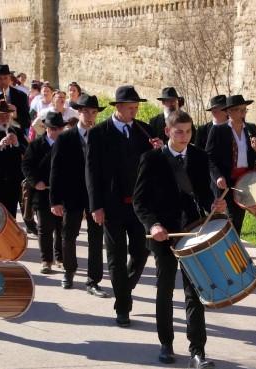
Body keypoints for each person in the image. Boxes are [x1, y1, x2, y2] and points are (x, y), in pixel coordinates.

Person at [133, 110, 227, 369]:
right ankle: (166, 343)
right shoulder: (151, 159)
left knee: (194, 292)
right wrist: (153, 224)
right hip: (164, 235)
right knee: (164, 289)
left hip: (192, 233)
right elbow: (140, 201)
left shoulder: (199, 157)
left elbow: (203, 194)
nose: (184, 137)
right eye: (179, 132)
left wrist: (215, 205)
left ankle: (197, 351)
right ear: (167, 132)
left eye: (188, 132)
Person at [86, 85, 162, 326]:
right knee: (116, 257)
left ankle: (123, 290)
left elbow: (154, 169)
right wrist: (96, 205)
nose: (135, 112)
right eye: (131, 108)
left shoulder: (145, 132)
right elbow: (92, 173)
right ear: (118, 108)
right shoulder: (99, 133)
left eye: (137, 107)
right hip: (111, 206)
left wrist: (160, 152)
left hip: (139, 207)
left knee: (141, 252)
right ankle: (123, 307)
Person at [50, 94, 108, 297]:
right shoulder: (66, 137)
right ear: (79, 112)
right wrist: (55, 200)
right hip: (72, 194)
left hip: (96, 196)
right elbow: (56, 169)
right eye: (86, 111)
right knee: (69, 234)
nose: (90, 116)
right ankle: (69, 270)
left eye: (93, 112)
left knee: (95, 237)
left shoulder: (102, 136)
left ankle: (93, 280)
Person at [206, 94, 256, 234]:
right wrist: (218, 176)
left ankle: (233, 250)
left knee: (237, 219)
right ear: (228, 112)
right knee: (229, 219)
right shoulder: (218, 131)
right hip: (226, 182)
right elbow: (209, 158)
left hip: (245, 181)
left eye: (245, 110)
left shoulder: (251, 128)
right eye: (239, 110)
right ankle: (228, 251)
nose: (243, 113)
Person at [21, 111, 66, 273]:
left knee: (62, 227)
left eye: (59, 128)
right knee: (44, 228)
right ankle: (46, 260)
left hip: (62, 193)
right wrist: (35, 182)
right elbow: (26, 166)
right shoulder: (35, 145)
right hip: (42, 192)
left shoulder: (67, 145)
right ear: (46, 128)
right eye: (52, 128)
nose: (55, 131)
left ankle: (60, 257)